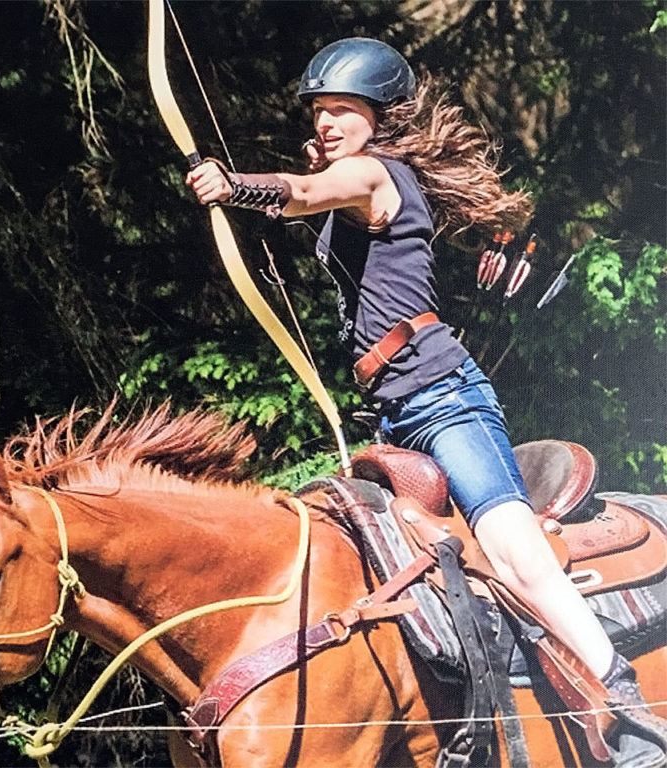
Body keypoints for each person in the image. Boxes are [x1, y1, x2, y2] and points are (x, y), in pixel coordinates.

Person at [185, 37, 665, 768]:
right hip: (398, 414)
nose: (326, 122)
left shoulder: (375, 173)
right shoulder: (355, 176)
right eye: (318, 111)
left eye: (342, 110)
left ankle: (627, 708)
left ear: (377, 117)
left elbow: (304, 192)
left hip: (446, 400)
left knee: (513, 551)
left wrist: (235, 184)